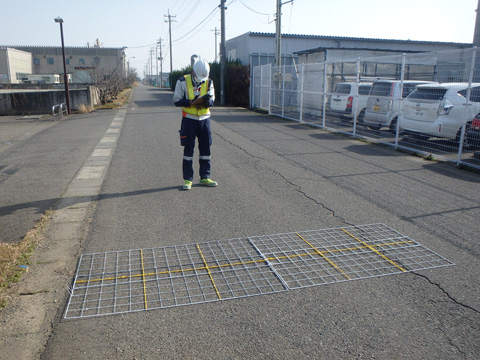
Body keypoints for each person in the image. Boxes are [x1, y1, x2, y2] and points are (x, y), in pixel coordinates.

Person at [173, 59, 217, 190]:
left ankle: (205, 177)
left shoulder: (209, 82)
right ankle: (188, 179)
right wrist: (189, 102)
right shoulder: (182, 81)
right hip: (189, 119)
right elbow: (176, 100)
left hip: (205, 119)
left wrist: (206, 102)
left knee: (206, 150)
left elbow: (212, 99)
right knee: (188, 149)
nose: (200, 80)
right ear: (193, 72)